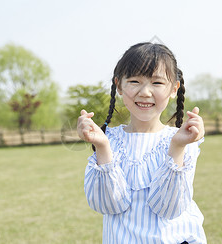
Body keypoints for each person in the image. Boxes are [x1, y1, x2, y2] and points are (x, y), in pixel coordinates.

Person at [77, 43, 206, 244]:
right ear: (119, 85)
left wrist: (177, 147)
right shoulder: (108, 140)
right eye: (135, 81)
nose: (145, 92)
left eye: (157, 83)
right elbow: (107, 205)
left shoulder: (184, 140)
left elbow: (169, 208)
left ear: (174, 89)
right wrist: (102, 147)